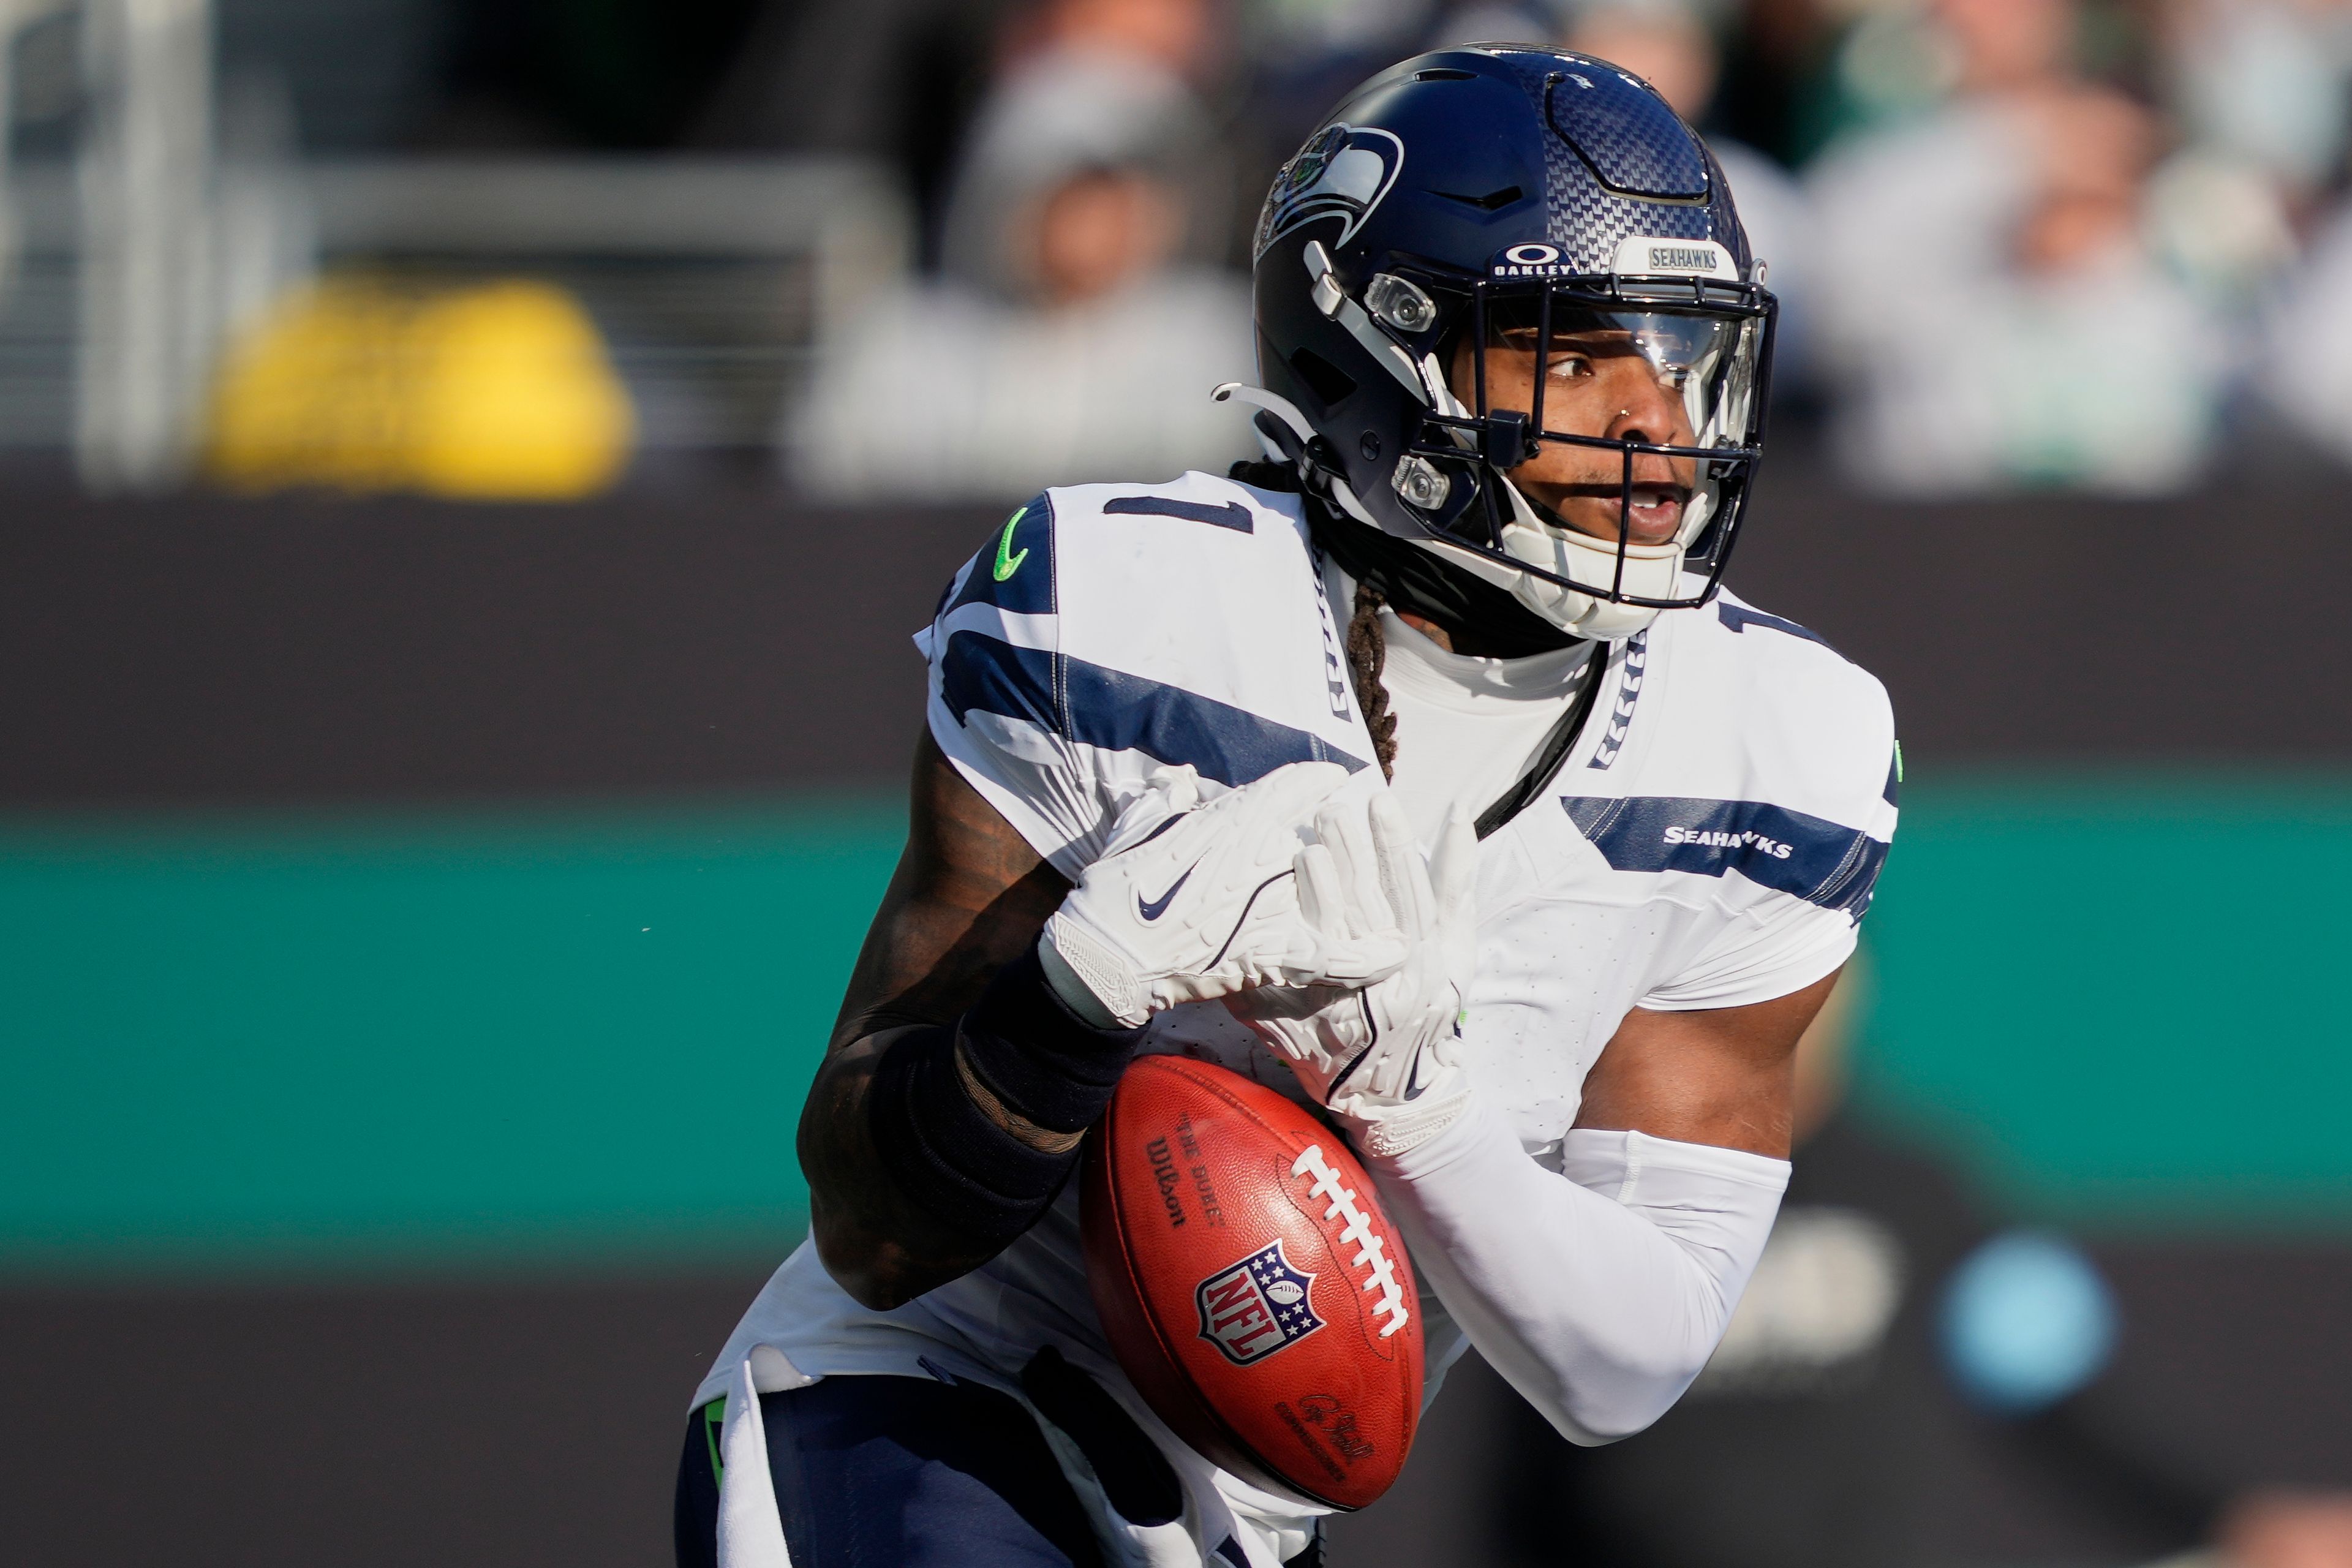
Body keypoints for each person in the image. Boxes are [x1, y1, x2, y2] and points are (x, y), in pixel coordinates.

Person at [682, 43, 1898, 1568]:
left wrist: (1422, 1109)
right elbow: (875, 1230)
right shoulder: (1127, 608)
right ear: (1380, 344)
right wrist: (1065, 1005)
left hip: (1246, 1516)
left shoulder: (1778, 741)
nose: (1659, 424)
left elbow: (1623, 1362)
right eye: (1577, 352)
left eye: (1682, 350)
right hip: (920, 1403)